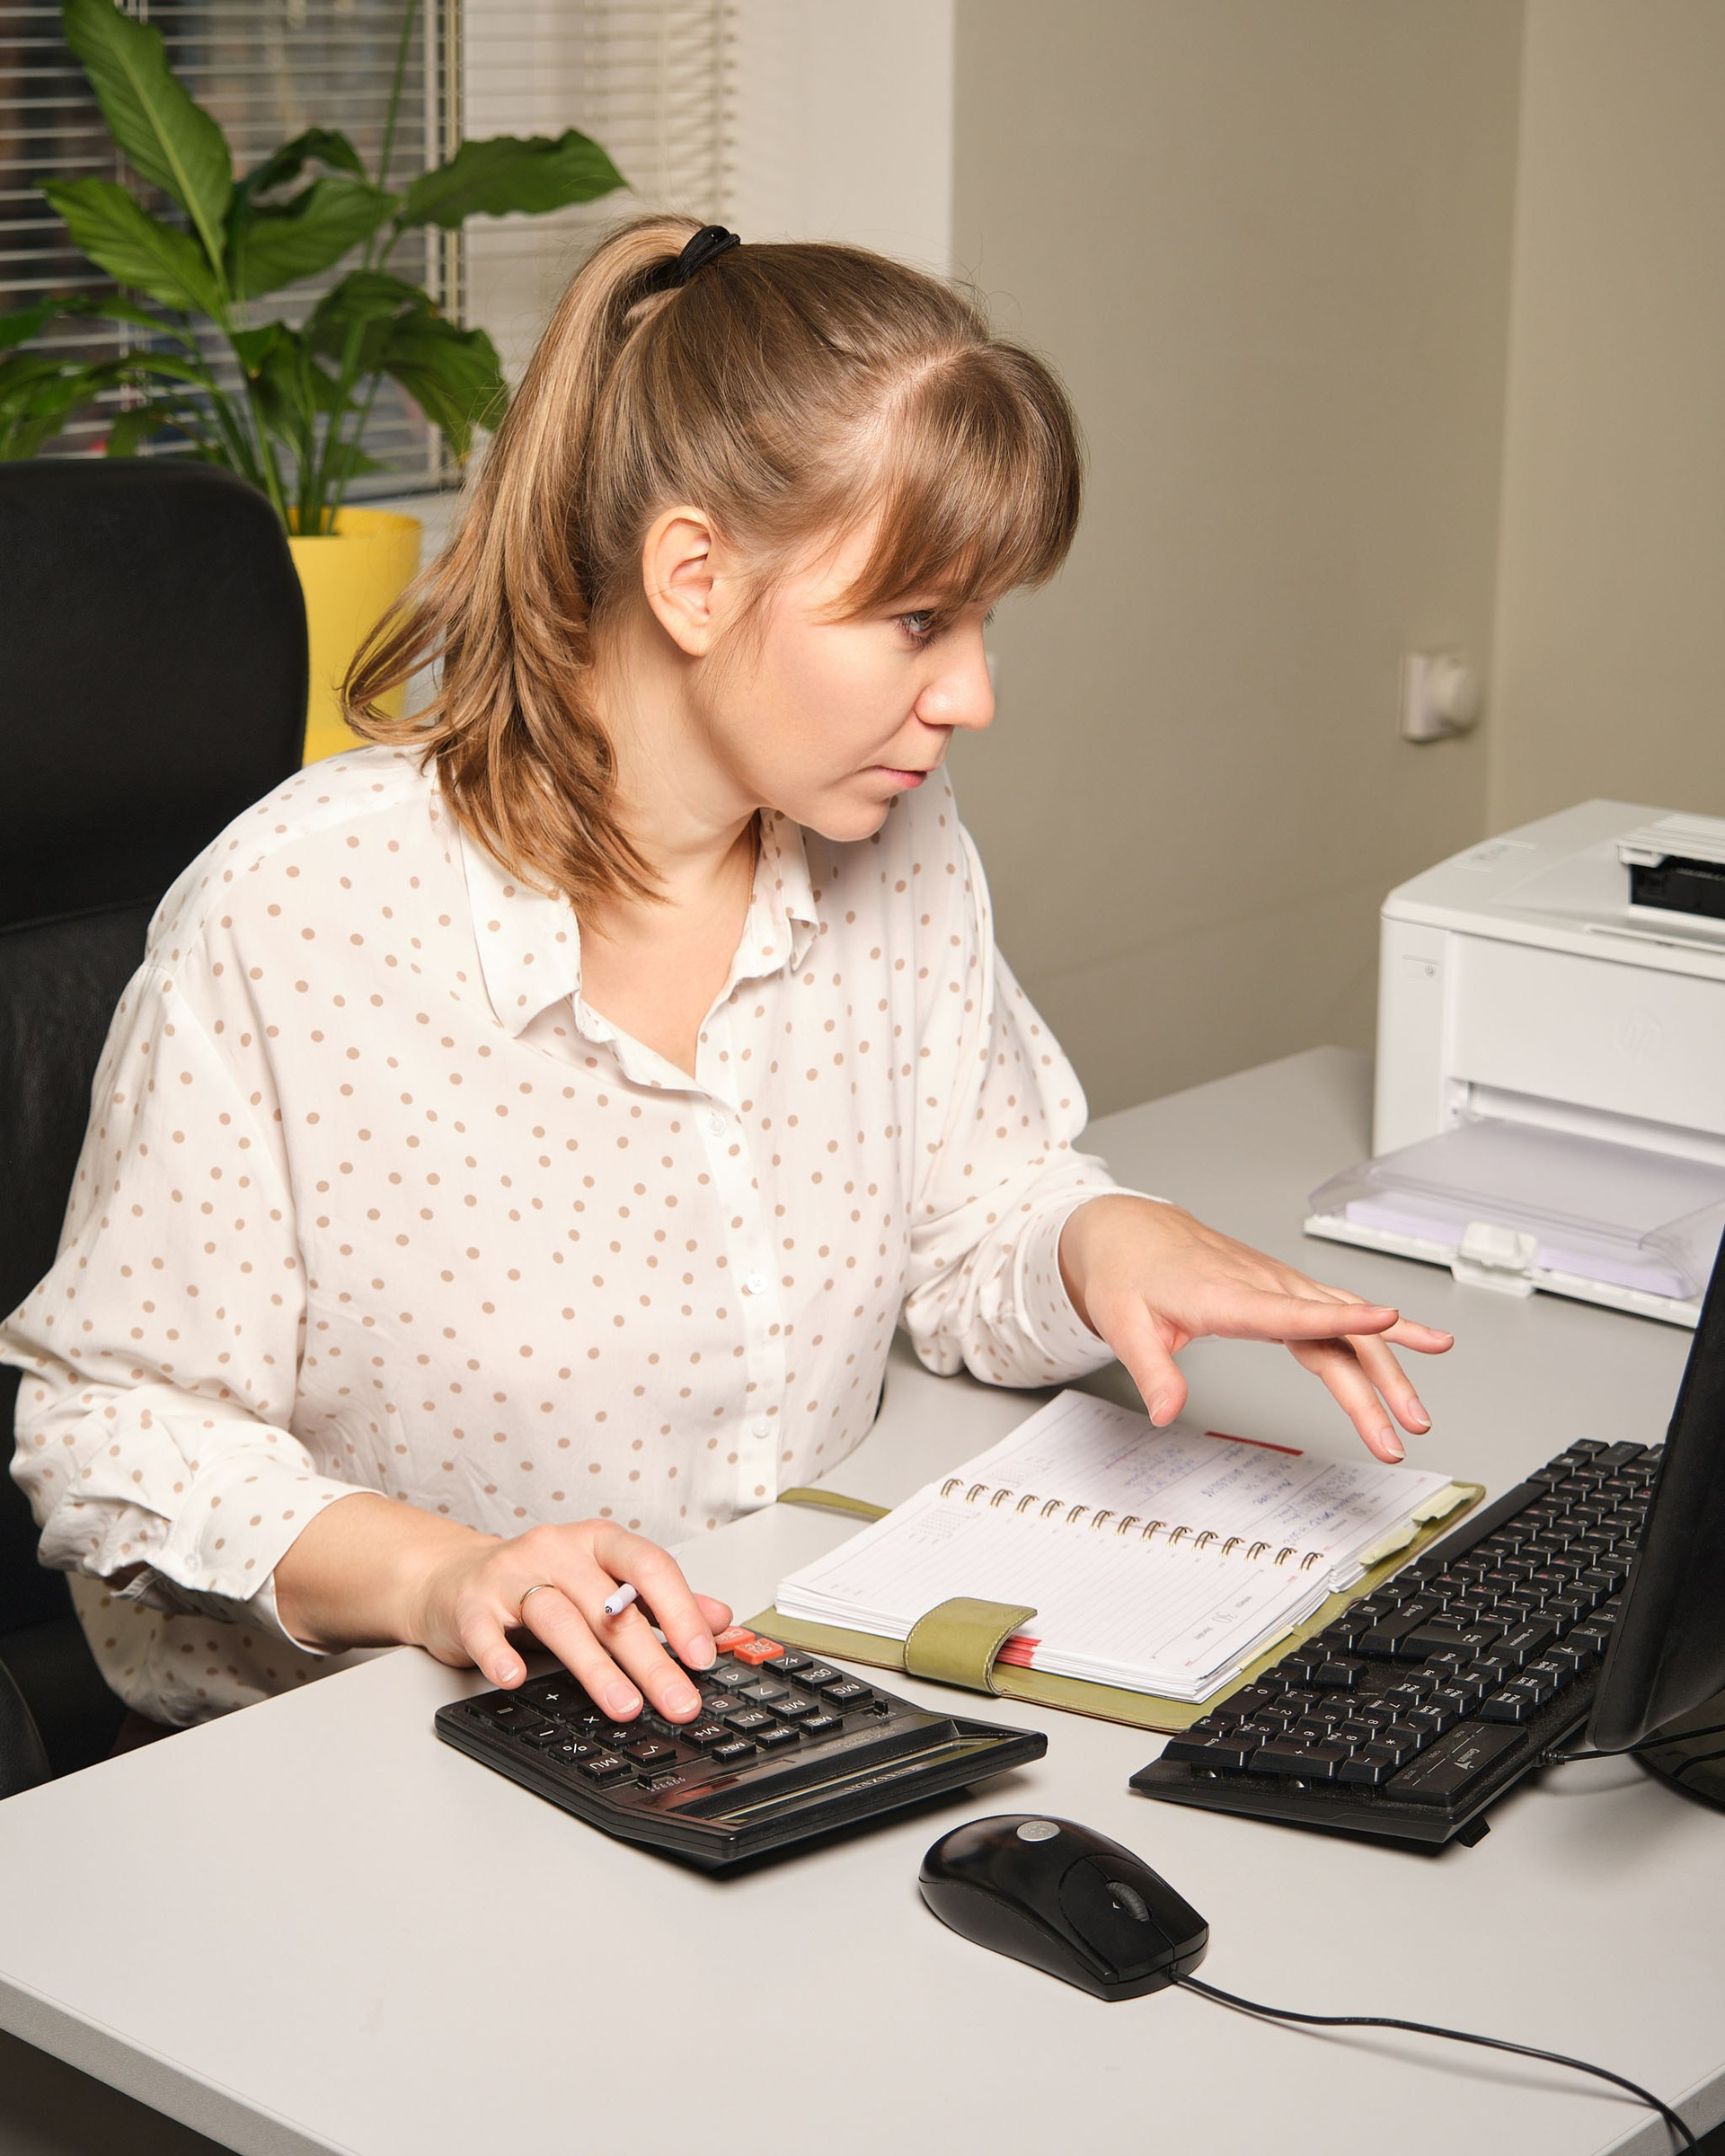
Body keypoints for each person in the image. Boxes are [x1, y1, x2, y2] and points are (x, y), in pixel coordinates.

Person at [0, 218, 1450, 1736]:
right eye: (917, 621)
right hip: (380, 1744)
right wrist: (444, 1577)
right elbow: (110, 1428)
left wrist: (1102, 1239)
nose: (970, 694)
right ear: (693, 578)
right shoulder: (302, 912)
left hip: (772, 1685)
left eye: (981, 623)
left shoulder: (897, 840)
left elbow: (972, 1220)